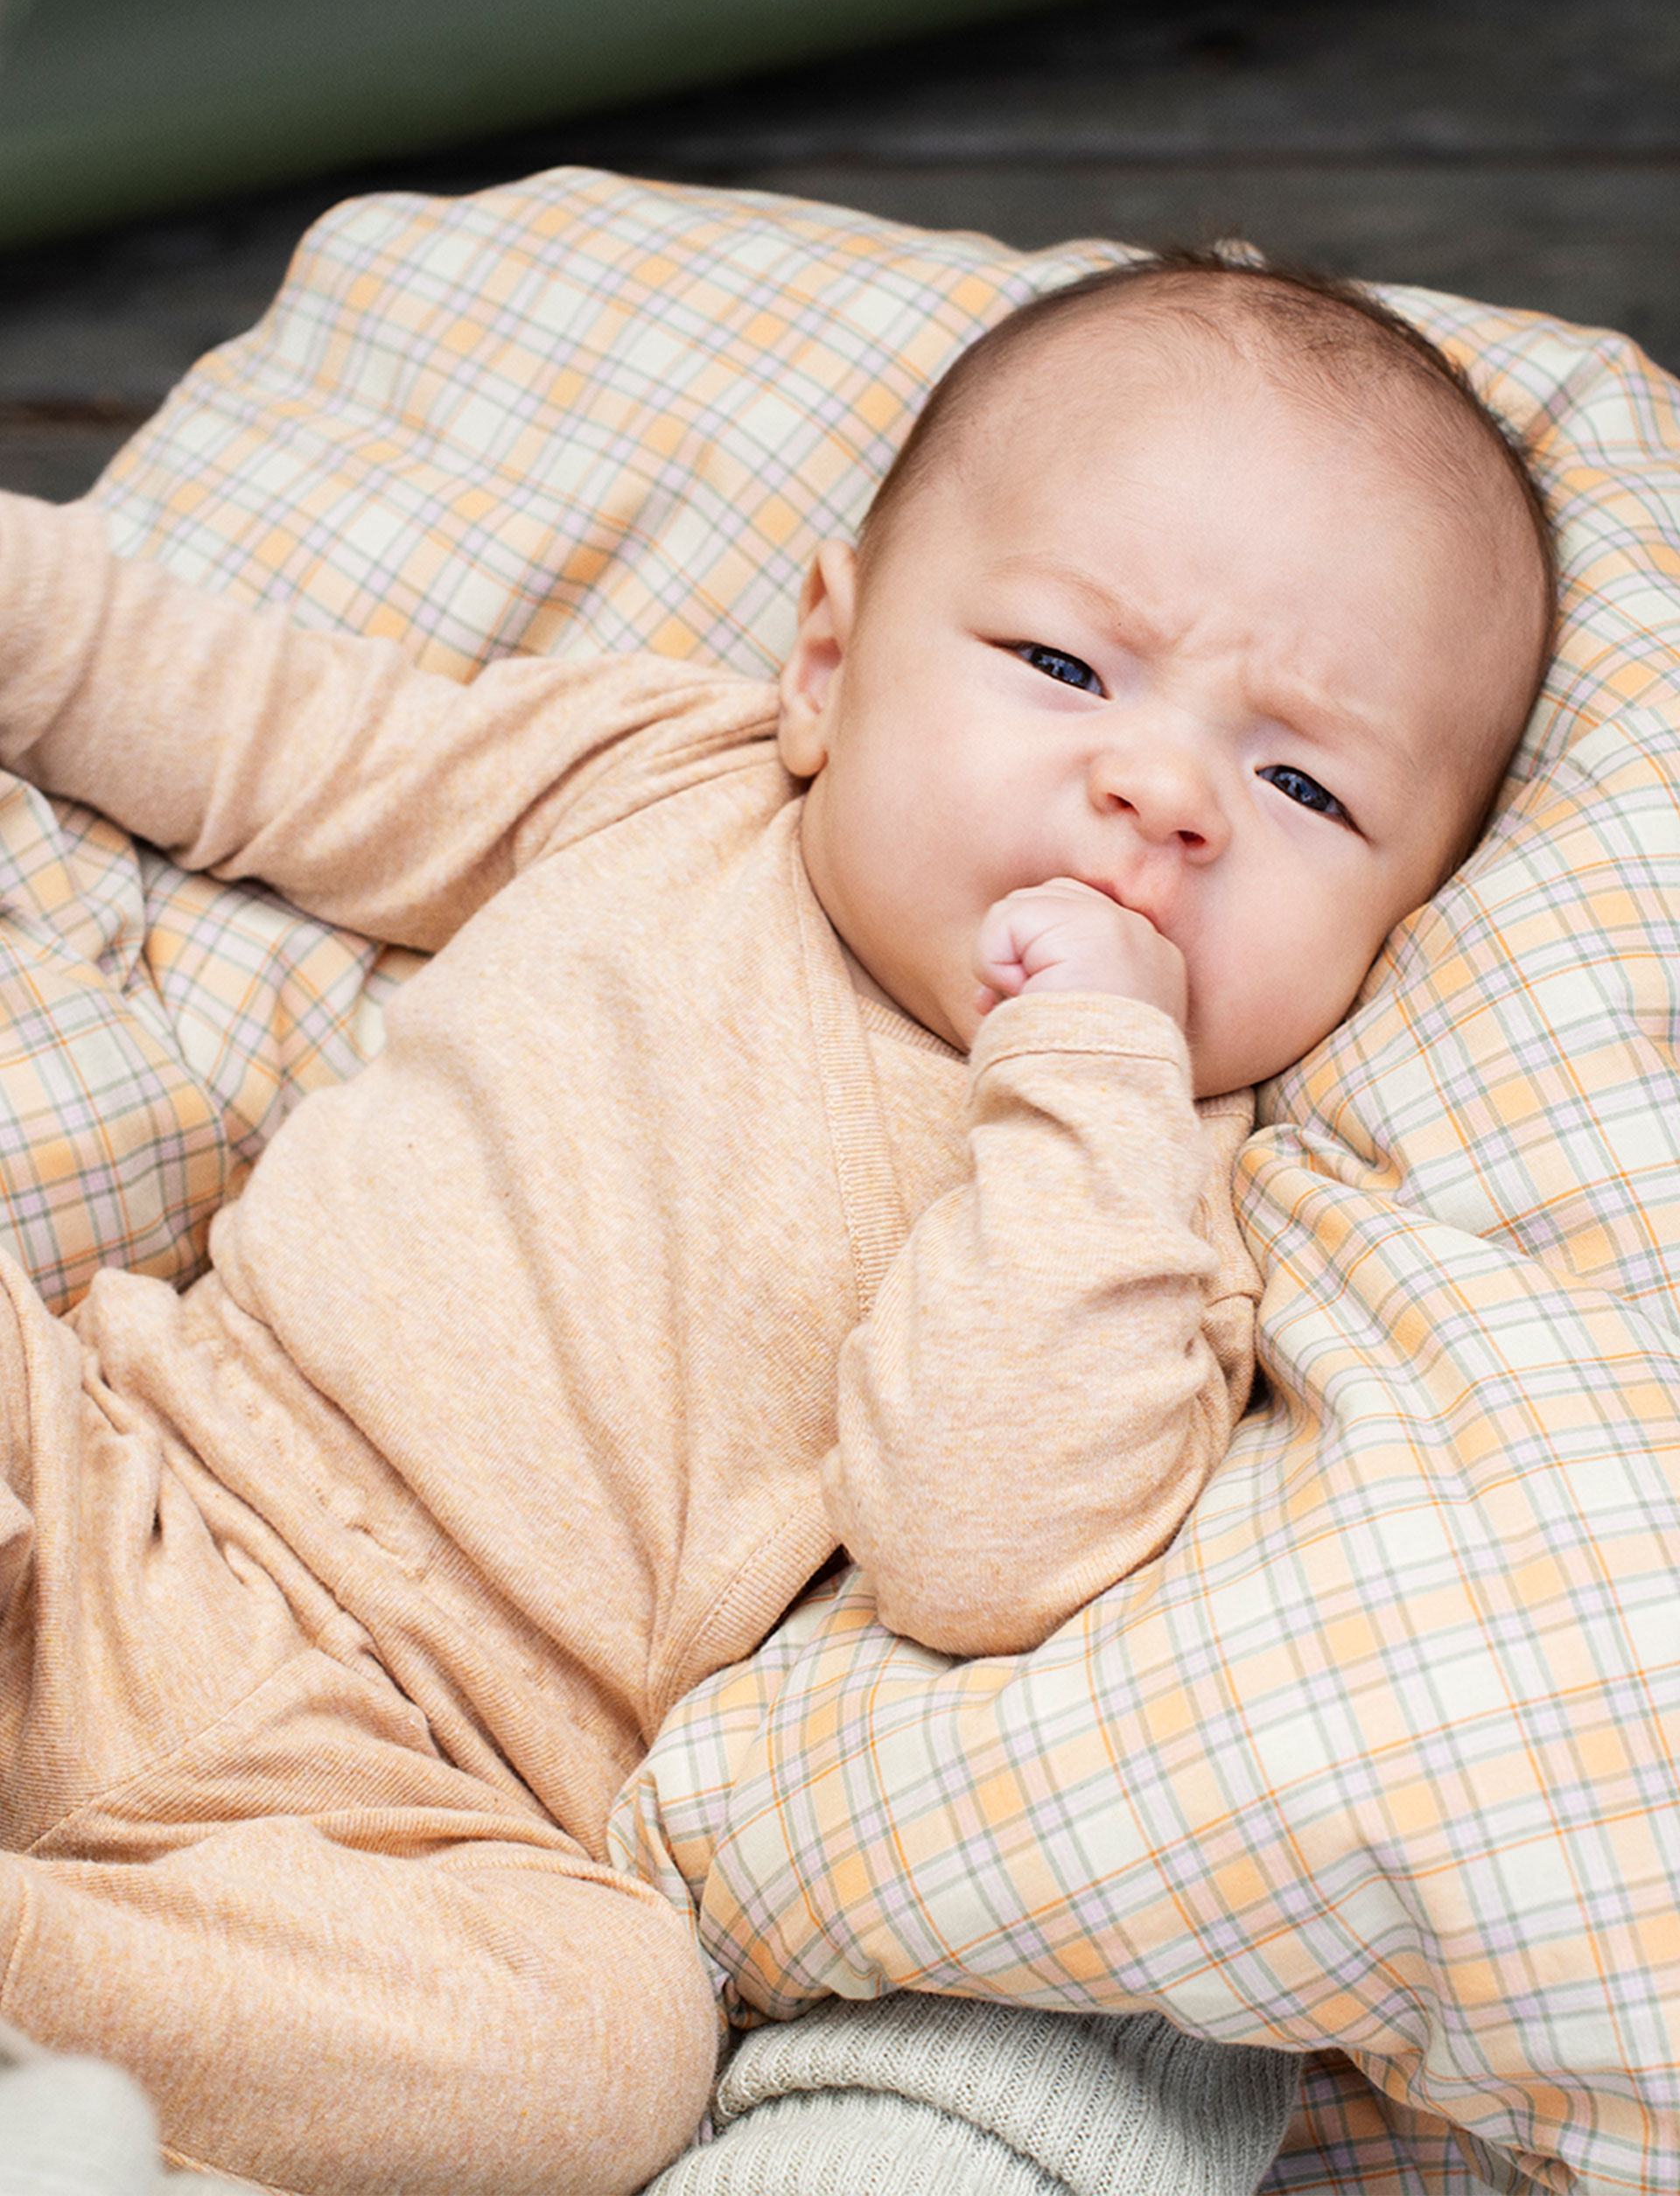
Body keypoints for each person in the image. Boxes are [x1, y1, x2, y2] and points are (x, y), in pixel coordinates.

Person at [0, 252, 1552, 2196]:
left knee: (603, 2048)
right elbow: (272, 740)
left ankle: (44, 1978)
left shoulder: (1155, 1202)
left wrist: (1091, 1067)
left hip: (400, 1807)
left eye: (1305, 783)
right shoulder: (671, 778)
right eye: (1067, 668)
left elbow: (976, 1546)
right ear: (827, 667)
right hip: (108, 1476)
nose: (1163, 791)